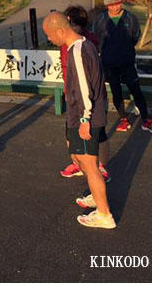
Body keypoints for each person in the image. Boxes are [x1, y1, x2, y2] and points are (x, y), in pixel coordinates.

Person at [42, 12, 115, 229]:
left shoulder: (77, 51)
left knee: (90, 166)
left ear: (60, 31)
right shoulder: (86, 45)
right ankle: (97, 195)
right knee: (83, 161)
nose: (49, 39)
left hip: (85, 116)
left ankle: (104, 214)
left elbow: (84, 88)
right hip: (86, 114)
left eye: (49, 35)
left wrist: (85, 118)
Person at [92, 0, 152, 135]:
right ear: (106, 5)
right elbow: (95, 38)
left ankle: (146, 119)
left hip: (127, 62)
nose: (115, 7)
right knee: (116, 92)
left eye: (117, 3)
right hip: (109, 64)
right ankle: (123, 118)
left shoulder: (131, 18)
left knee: (136, 91)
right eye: (111, 5)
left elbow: (135, 36)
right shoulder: (100, 20)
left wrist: (125, 48)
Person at [58, 6, 110, 183]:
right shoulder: (65, 43)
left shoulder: (86, 43)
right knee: (70, 132)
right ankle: (78, 163)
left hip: (91, 96)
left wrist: (85, 116)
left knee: (98, 134)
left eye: (71, 23)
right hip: (72, 94)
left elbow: (86, 79)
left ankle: (99, 168)